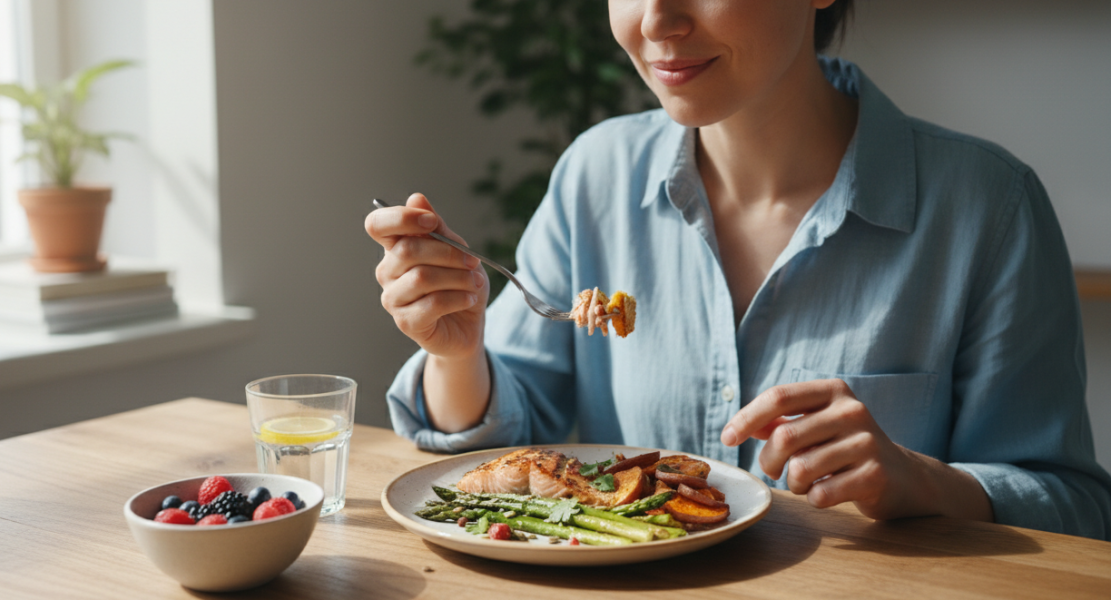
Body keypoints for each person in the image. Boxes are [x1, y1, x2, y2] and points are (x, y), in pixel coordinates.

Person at [364, 0, 1111, 539]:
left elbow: (1078, 507)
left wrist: (925, 482)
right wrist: (456, 354)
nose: (657, 19)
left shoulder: (989, 206)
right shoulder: (595, 173)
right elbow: (514, 449)